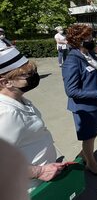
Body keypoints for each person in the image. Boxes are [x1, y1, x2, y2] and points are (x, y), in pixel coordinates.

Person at [0, 47, 67, 190]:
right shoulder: (7, 113)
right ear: (6, 83)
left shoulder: (19, 100)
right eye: (27, 74)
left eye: (33, 71)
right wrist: (39, 171)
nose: (34, 76)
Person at [62, 24, 97, 175]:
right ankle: (91, 164)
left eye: (91, 36)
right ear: (78, 40)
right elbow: (71, 91)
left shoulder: (89, 53)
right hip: (84, 108)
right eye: (87, 37)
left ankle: (83, 155)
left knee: (93, 134)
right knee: (89, 136)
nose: (91, 39)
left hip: (96, 104)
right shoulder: (72, 61)